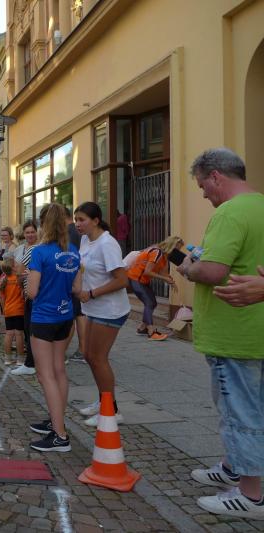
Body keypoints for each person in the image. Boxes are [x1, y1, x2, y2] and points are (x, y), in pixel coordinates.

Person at [176, 149, 264, 520]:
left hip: (233, 333)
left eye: (202, 186)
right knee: (251, 407)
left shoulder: (229, 213)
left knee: (238, 412)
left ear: (216, 176)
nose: (203, 195)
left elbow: (212, 271)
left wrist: (188, 267)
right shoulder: (260, 206)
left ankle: (251, 495)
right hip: (254, 329)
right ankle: (232, 467)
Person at [25, 203, 81, 452]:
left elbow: (32, 291)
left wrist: (27, 280)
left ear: (43, 224)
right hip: (65, 316)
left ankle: (60, 436)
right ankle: (56, 421)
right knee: (59, 370)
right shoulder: (73, 251)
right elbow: (77, 288)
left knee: (45, 374)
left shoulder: (39, 252)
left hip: (44, 318)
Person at [74, 201, 131, 427]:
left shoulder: (107, 244)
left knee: (98, 358)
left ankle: (112, 411)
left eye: (82, 220)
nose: (77, 224)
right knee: (89, 355)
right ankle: (103, 401)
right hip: (93, 307)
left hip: (110, 310)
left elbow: (122, 280)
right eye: (76, 220)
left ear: (96, 220)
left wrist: (92, 293)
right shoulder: (85, 240)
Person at [127, 235, 183, 340]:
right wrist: (165, 279)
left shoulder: (164, 256)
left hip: (143, 281)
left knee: (153, 303)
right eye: (177, 249)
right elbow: (147, 272)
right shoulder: (157, 252)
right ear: (172, 246)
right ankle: (151, 332)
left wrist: (171, 282)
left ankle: (142, 328)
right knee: (149, 303)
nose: (178, 252)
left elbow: (164, 273)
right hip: (135, 279)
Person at [11, 221, 40, 376]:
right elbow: (19, 273)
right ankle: (33, 362)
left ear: (37, 232)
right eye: (27, 232)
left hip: (34, 294)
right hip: (29, 292)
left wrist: (25, 274)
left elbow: (19, 270)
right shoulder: (26, 248)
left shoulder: (34, 249)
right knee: (30, 328)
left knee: (30, 328)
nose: (30, 235)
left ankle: (30, 363)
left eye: (32, 232)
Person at [64, 208, 88, 363]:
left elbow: (70, 258)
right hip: (82, 276)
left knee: (76, 315)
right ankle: (83, 350)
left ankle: (81, 350)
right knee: (80, 314)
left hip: (75, 277)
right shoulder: (78, 231)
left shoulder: (69, 232)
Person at [0, 260, 25, 365]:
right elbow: (23, 295)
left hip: (8, 310)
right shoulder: (19, 279)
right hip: (19, 310)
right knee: (19, 334)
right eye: (16, 264)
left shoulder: (4, 280)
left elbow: (2, 298)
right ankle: (20, 359)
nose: (18, 264)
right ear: (13, 268)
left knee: (9, 334)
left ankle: (7, 358)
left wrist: (4, 309)